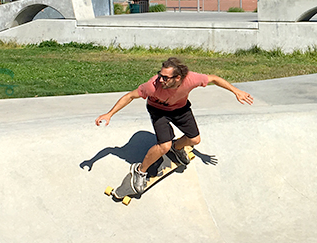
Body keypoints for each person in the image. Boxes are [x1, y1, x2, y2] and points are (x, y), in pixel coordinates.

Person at [95, 57, 253, 192]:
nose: (160, 79)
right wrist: (109, 114)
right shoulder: (152, 85)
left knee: (194, 140)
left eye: (165, 77)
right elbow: (130, 96)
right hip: (158, 111)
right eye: (160, 74)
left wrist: (236, 91)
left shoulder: (192, 79)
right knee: (163, 145)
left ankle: (176, 148)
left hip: (180, 108)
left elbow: (214, 79)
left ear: (178, 78)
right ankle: (140, 171)